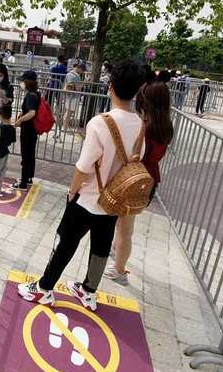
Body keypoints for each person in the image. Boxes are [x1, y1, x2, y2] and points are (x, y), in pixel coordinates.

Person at [17, 60, 146, 310]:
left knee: (65, 242)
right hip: (115, 200)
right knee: (100, 247)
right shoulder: (141, 126)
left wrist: (72, 191)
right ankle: (88, 292)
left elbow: (84, 167)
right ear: (137, 90)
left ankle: (44, 288)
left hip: (87, 198)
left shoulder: (100, 122)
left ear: (110, 87)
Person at [105, 81, 173, 286]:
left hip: (134, 180)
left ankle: (119, 270)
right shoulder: (166, 126)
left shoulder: (145, 126)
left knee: (125, 229)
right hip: (149, 180)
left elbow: (135, 156)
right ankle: (117, 254)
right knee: (124, 225)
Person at [13, 70, 40, 190]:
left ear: (28, 82)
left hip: (28, 129)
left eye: (23, 81)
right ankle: (28, 178)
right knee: (30, 154)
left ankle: (23, 183)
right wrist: (22, 113)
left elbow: (32, 113)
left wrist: (20, 120)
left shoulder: (30, 95)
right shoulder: (36, 93)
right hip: (32, 129)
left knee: (26, 155)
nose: (21, 83)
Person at [62, 61, 86, 132]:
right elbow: (78, 88)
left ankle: (65, 127)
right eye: (82, 70)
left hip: (68, 95)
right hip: (73, 96)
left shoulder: (69, 73)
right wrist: (85, 82)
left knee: (68, 112)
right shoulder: (76, 76)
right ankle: (65, 128)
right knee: (69, 112)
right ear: (79, 68)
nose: (82, 72)